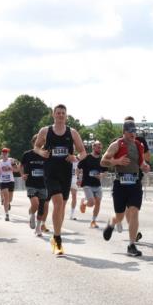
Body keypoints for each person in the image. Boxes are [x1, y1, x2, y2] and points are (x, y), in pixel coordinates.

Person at [35, 104, 86, 255]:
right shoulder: (45, 131)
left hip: (65, 173)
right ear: (53, 115)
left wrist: (75, 157)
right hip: (50, 173)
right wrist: (41, 152)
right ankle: (57, 239)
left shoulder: (72, 132)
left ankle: (56, 235)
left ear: (66, 115)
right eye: (58, 113)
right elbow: (36, 147)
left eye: (63, 113)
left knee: (62, 207)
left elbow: (83, 152)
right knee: (57, 203)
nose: (60, 115)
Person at [101, 118, 150, 257]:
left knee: (134, 211)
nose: (133, 134)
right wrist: (116, 161)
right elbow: (103, 161)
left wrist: (145, 167)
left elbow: (141, 163)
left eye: (134, 131)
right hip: (120, 183)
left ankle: (131, 245)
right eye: (130, 131)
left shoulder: (139, 145)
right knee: (120, 216)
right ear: (124, 132)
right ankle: (111, 223)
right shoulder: (116, 145)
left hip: (135, 183)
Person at [21, 136, 50, 237]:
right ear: (33, 142)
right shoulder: (27, 154)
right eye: (39, 142)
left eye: (43, 142)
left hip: (43, 184)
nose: (41, 144)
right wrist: (22, 174)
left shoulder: (46, 154)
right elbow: (21, 166)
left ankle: (38, 228)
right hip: (31, 183)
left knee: (42, 206)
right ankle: (32, 214)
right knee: (35, 203)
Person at [78, 140, 108, 229]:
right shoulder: (87, 157)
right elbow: (78, 168)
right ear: (93, 147)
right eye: (98, 147)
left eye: (101, 147)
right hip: (87, 184)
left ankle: (93, 221)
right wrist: (78, 178)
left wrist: (102, 175)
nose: (100, 148)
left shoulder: (102, 159)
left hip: (97, 185)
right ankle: (83, 203)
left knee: (98, 203)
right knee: (91, 203)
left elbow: (105, 171)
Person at [0, 147, 20, 222]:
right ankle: (6, 214)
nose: (5, 154)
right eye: (3, 153)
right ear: (2, 154)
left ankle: (8, 203)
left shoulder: (11, 160)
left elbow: (17, 170)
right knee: (6, 198)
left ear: (8, 154)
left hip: (10, 180)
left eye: (6, 153)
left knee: (10, 199)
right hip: (3, 181)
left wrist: (10, 168)